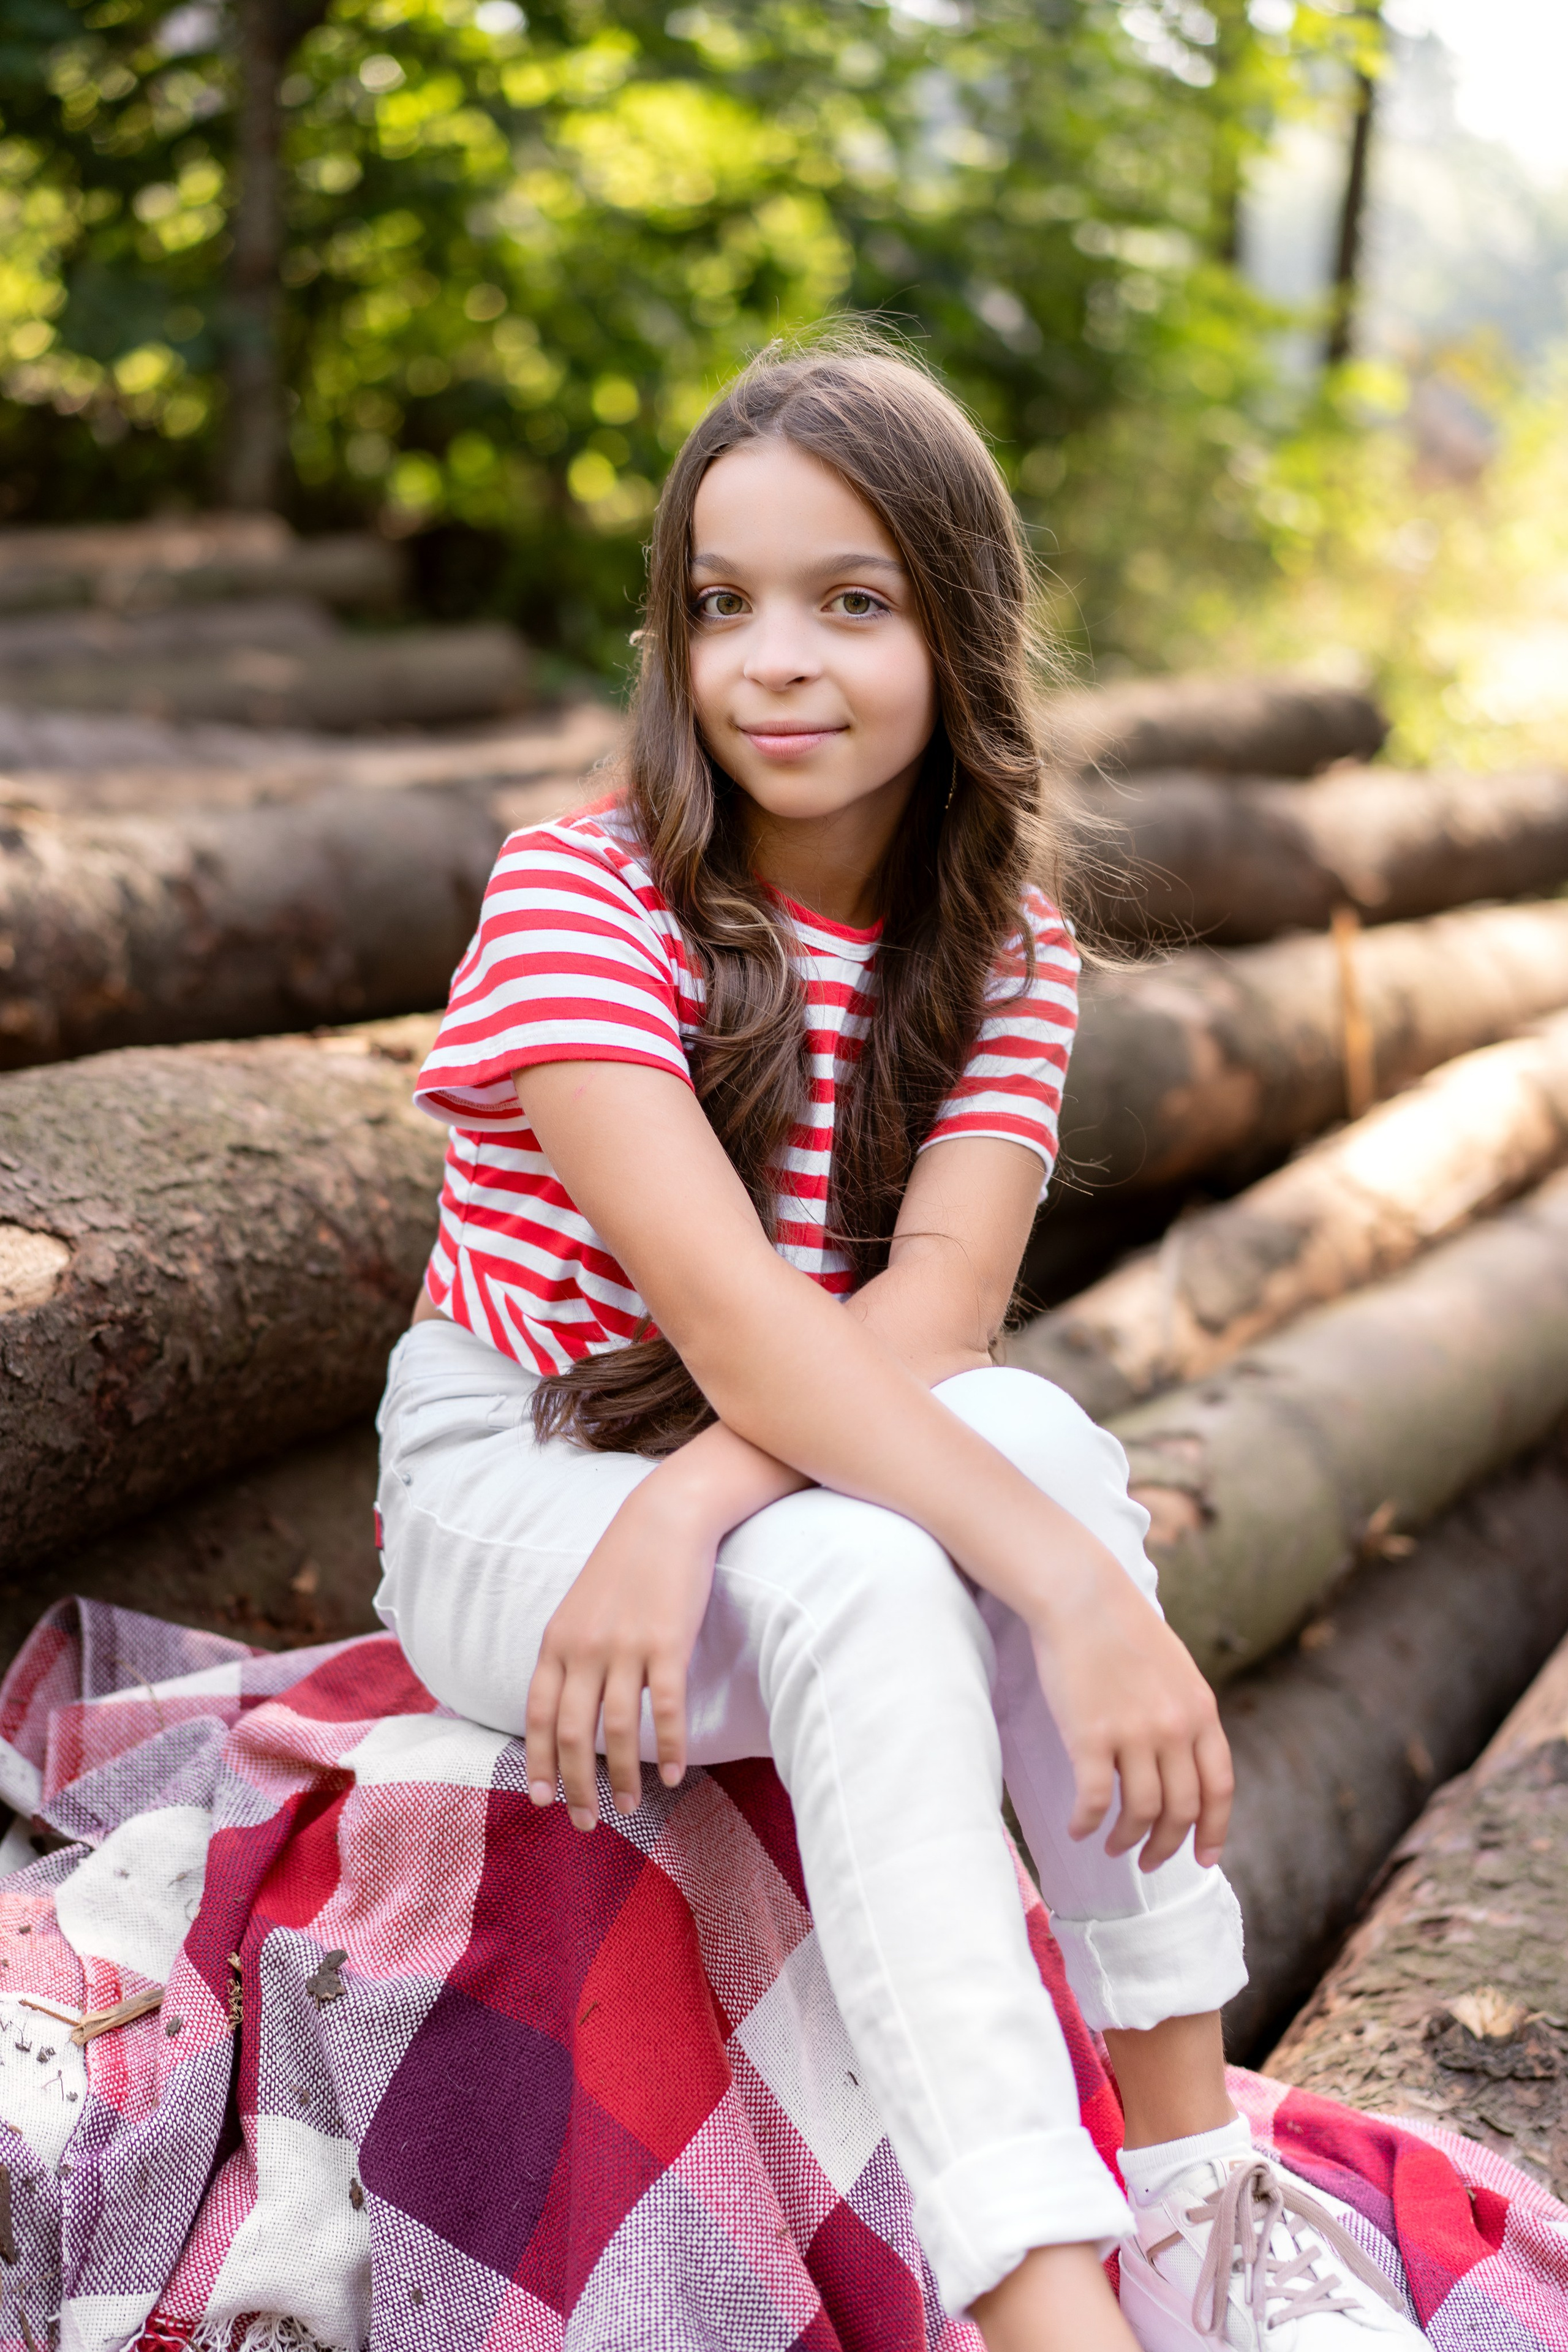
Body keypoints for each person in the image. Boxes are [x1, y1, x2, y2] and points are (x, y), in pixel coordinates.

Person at [374, 339, 1425, 2351]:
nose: (775, 659)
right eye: (722, 601)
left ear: (963, 630)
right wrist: (1055, 1594)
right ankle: (1045, 2300)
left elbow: (926, 1328)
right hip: (518, 1472)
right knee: (919, 1535)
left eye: (852, 602)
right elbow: (739, 1325)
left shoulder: (1010, 945)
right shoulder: (582, 896)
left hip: (751, 1469)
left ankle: (1196, 2191)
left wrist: (695, 1510)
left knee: (1021, 1435)